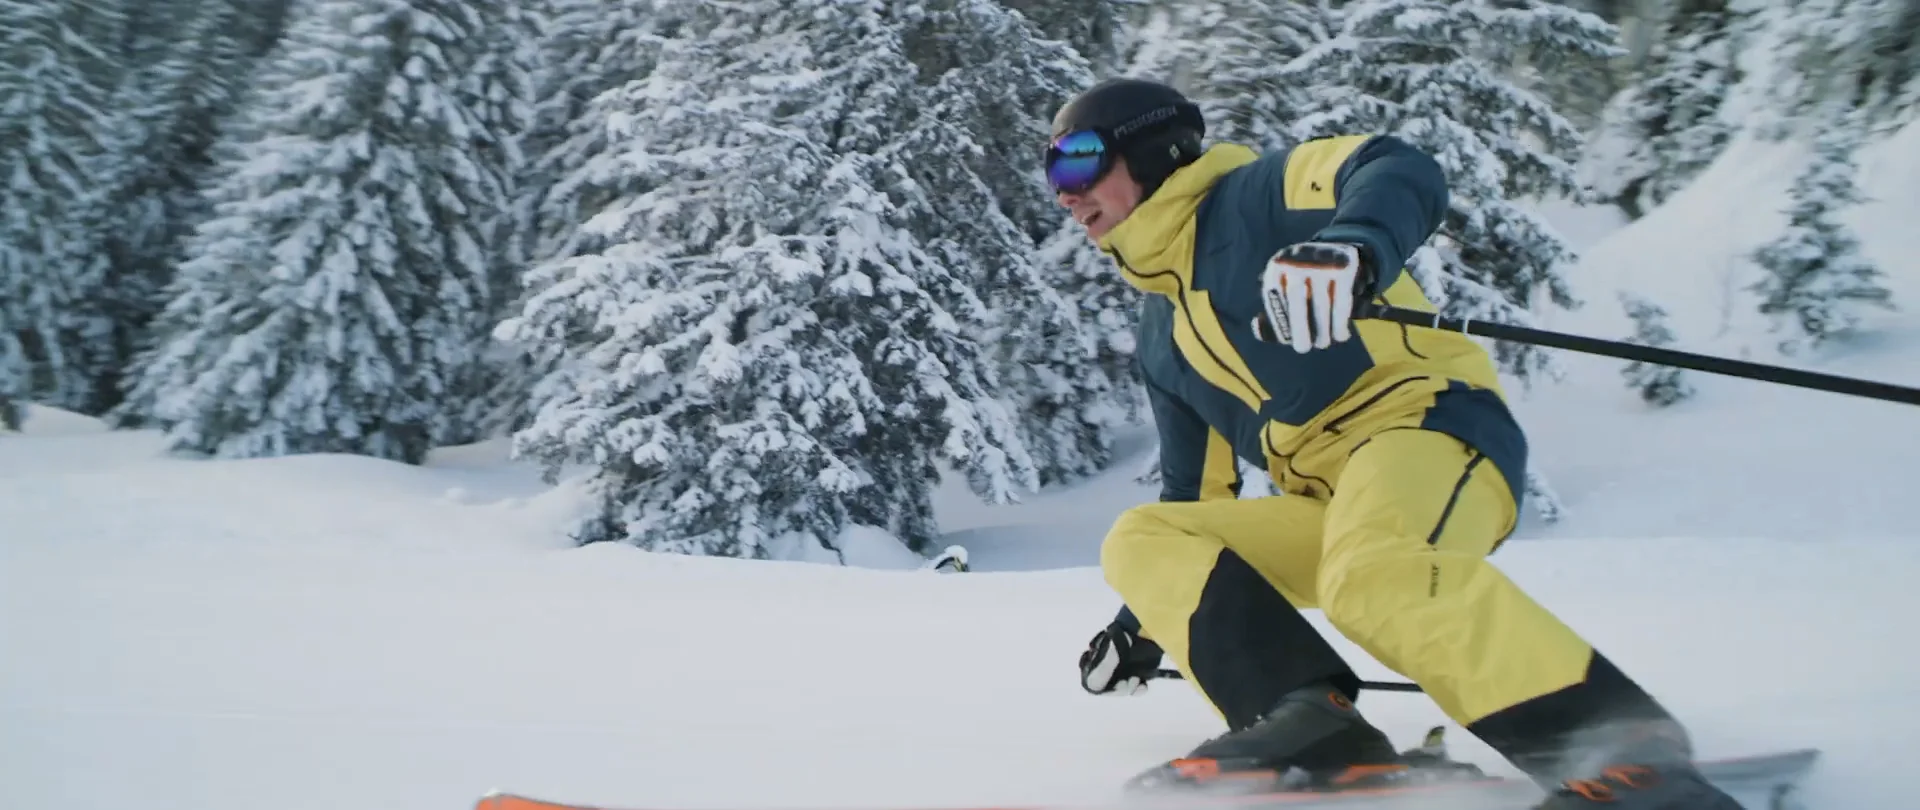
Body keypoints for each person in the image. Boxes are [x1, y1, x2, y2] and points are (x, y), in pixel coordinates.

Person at [1049, 77, 1740, 810]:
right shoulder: (1162, 332)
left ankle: (1629, 759)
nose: (1064, 192)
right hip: (1333, 501)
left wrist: (1352, 249)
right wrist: (1142, 627)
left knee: (1374, 575)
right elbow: (1196, 493)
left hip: (1427, 430)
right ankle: (1309, 725)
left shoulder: (1257, 194)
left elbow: (1393, 165)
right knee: (1145, 536)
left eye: (1077, 161)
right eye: (1053, 173)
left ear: (1157, 149)